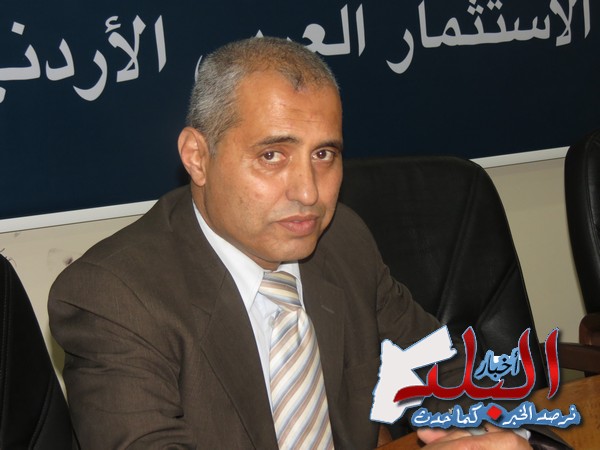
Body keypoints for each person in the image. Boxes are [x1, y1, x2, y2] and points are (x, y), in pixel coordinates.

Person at [49, 37, 531, 449]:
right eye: (272, 155)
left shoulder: (344, 240)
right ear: (198, 157)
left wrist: (484, 429)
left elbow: (441, 366)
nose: (308, 193)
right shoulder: (112, 298)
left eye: (324, 154)